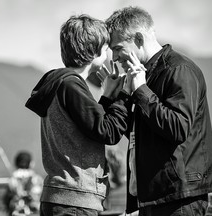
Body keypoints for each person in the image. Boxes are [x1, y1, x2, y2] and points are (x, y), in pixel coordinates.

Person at [105, 6, 212, 216]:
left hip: (180, 198)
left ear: (139, 39)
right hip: (155, 197)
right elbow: (134, 132)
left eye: (117, 48)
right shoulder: (141, 76)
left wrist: (141, 90)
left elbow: (178, 127)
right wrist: (117, 95)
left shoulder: (179, 70)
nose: (114, 57)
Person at [25, 14, 132, 216]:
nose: (110, 53)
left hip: (58, 197)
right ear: (94, 51)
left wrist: (107, 96)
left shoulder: (59, 83)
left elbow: (90, 125)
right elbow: (108, 132)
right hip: (75, 200)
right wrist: (123, 95)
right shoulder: (71, 85)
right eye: (106, 47)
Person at [3, 151, 43, 216]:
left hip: (17, 212)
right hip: (33, 212)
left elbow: (6, 199)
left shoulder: (13, 178)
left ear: (16, 163)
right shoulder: (37, 178)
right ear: (31, 164)